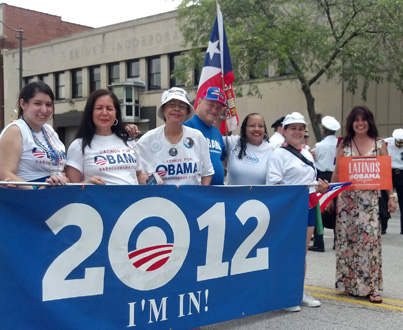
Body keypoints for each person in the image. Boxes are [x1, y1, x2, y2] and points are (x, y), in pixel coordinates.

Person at [329, 105, 396, 303]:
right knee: (347, 243)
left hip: (370, 204)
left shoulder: (379, 144)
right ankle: (350, 284)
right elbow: (336, 173)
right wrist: (332, 197)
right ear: (351, 123)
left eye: (363, 119)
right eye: (356, 120)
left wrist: (391, 197)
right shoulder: (344, 144)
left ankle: (372, 287)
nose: (360, 123)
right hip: (347, 203)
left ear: (369, 122)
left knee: (369, 244)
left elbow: (386, 174)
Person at [266, 111, 329, 312]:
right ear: (284, 131)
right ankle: (284, 294)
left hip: (308, 206)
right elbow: (273, 184)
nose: (297, 132)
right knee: (287, 252)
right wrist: (298, 189)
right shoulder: (277, 153)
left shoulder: (308, 153)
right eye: (293, 128)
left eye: (301, 129)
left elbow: (311, 181)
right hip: (288, 210)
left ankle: (298, 291)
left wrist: (321, 187)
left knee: (301, 252)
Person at [66, 89, 148, 185]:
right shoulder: (78, 146)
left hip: (133, 199)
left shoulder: (128, 140)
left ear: (116, 113)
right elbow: (72, 188)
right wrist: (87, 184)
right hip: (97, 199)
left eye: (109, 108)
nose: (104, 113)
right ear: (90, 113)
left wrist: (153, 182)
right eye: (99, 108)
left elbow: (138, 175)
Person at [137, 87, 214, 185]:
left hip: (191, 199)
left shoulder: (197, 137)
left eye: (182, 106)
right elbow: (136, 173)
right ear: (163, 109)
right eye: (171, 104)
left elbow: (207, 173)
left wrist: (200, 196)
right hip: (159, 199)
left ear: (187, 112)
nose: (177, 109)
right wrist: (150, 183)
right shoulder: (147, 140)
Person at [0, 81, 68, 189]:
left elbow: (60, 170)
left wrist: (63, 180)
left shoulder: (50, 131)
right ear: (23, 104)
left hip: (56, 196)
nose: (44, 110)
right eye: (37, 103)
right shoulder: (15, 131)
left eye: (49, 105)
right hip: (29, 198)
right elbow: (5, 174)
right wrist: (37, 189)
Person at [309, 116, 341, 252]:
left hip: (321, 177)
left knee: (319, 208)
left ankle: (319, 242)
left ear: (324, 130)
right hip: (337, 176)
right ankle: (337, 241)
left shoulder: (319, 146)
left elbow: (311, 157)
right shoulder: (340, 145)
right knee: (338, 209)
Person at [183, 86, 227, 185]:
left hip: (217, 194)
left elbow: (222, 159)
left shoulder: (217, 133)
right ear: (199, 102)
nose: (214, 110)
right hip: (197, 193)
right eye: (210, 105)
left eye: (219, 107)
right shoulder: (186, 126)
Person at [225, 113, 274, 185]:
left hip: (259, 196)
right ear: (245, 128)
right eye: (252, 125)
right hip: (231, 195)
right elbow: (213, 139)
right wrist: (221, 117)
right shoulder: (233, 142)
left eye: (260, 126)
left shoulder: (272, 150)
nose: (257, 129)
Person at [385, 128, 403, 234]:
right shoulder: (386, 143)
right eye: (398, 142)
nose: (400, 144)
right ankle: (383, 226)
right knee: (384, 200)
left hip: (402, 172)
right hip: (389, 172)